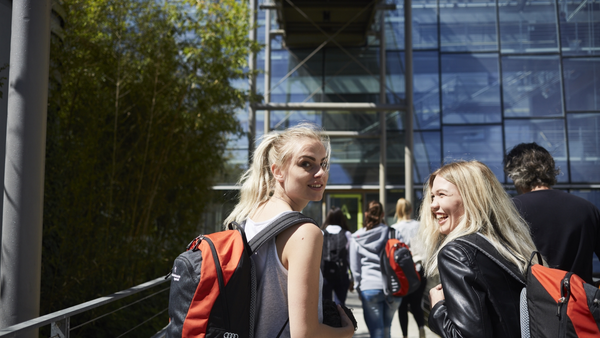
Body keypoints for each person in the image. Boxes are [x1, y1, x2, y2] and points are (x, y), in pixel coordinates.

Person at [223, 123, 354, 338]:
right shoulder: (305, 232)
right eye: (306, 164)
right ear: (278, 171)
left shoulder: (246, 219)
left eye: (323, 163)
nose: (321, 172)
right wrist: (347, 332)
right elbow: (305, 334)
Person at [421, 160, 538, 338]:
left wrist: (437, 309)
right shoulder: (509, 247)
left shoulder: (457, 253)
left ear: (470, 197)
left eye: (442, 195)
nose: (432, 205)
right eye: (432, 197)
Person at [504, 142, 600, 284]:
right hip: (578, 302)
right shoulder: (586, 208)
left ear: (514, 174)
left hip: (530, 303)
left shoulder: (509, 210)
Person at [349, 200, 402, 338]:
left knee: (376, 332)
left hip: (369, 287)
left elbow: (355, 268)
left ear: (366, 214)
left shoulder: (356, 237)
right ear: (383, 214)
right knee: (386, 329)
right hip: (393, 287)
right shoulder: (393, 233)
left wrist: (358, 286)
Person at [391, 198, 426, 338]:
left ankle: (405, 335)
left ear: (397, 211)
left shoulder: (394, 228)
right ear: (411, 210)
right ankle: (421, 327)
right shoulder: (419, 226)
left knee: (403, 306)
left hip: (401, 273)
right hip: (418, 269)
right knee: (417, 304)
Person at [321, 207, 352, 306]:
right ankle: (340, 321)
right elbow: (350, 258)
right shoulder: (347, 234)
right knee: (340, 306)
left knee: (326, 305)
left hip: (325, 274)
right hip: (342, 274)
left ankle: (326, 322)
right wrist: (353, 278)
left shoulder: (321, 233)